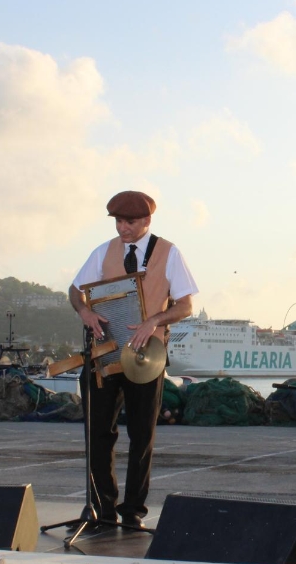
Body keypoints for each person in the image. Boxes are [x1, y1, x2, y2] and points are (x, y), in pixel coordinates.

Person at [69, 190, 197, 529]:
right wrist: (85, 311)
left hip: (147, 357)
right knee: (99, 434)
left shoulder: (168, 253)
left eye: (131, 222)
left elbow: (185, 305)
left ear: (147, 221)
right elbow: (75, 289)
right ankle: (102, 509)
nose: (123, 229)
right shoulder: (103, 251)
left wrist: (153, 320)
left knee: (141, 436)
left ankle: (133, 513)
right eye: (119, 222)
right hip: (105, 354)